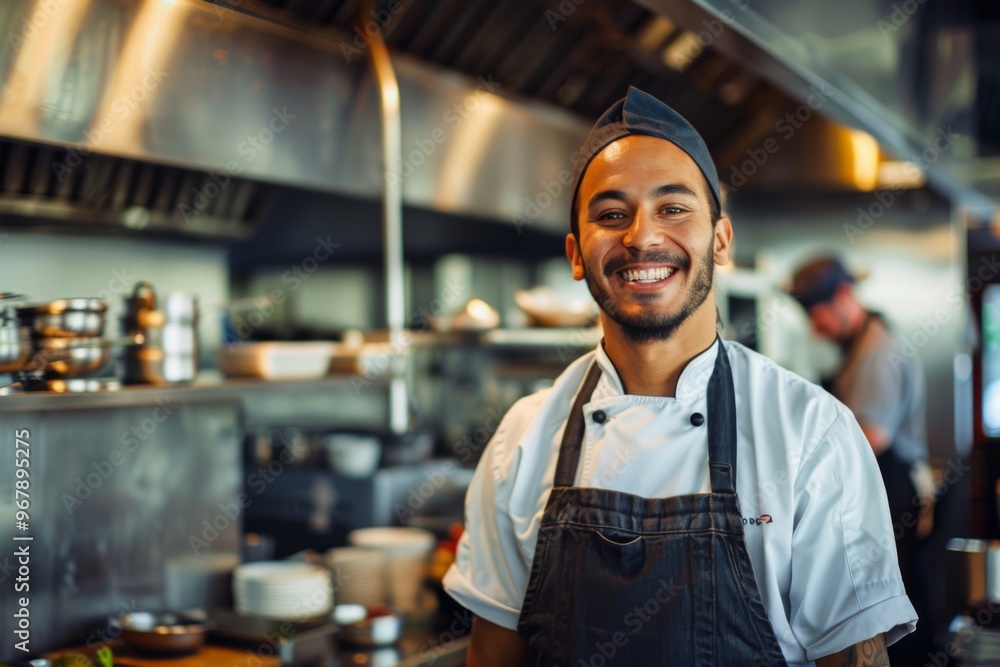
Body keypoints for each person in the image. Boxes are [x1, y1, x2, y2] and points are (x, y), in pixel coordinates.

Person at [443, 86, 917, 666]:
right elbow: (494, 654)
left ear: (719, 240)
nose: (641, 236)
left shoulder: (811, 434)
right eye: (612, 213)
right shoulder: (520, 439)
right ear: (575, 254)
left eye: (672, 208)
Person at [789, 256, 935, 664]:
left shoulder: (876, 350)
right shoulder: (858, 345)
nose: (816, 329)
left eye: (818, 317)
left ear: (843, 296)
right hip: (883, 487)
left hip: (893, 489)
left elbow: (871, 438)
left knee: (889, 606)